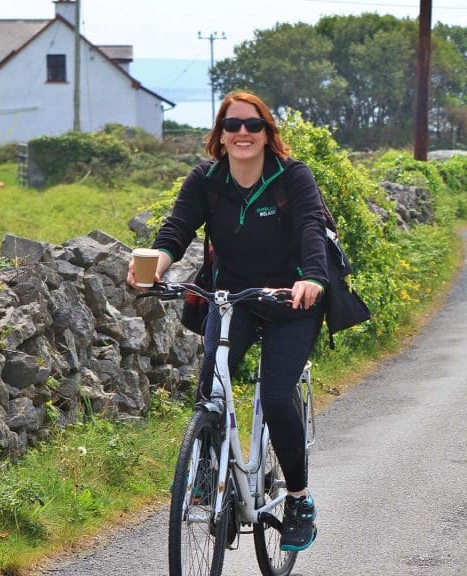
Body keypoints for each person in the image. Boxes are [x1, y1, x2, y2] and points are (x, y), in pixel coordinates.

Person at [127, 90, 328, 551]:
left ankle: (298, 499)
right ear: (219, 135)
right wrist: (155, 264)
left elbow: (311, 230)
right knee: (209, 391)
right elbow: (176, 230)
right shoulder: (206, 180)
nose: (242, 133)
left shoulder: (292, 177)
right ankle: (208, 476)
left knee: (277, 397)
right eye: (232, 125)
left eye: (252, 125)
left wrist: (313, 279)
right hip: (230, 298)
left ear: (267, 133)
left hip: (290, 300)